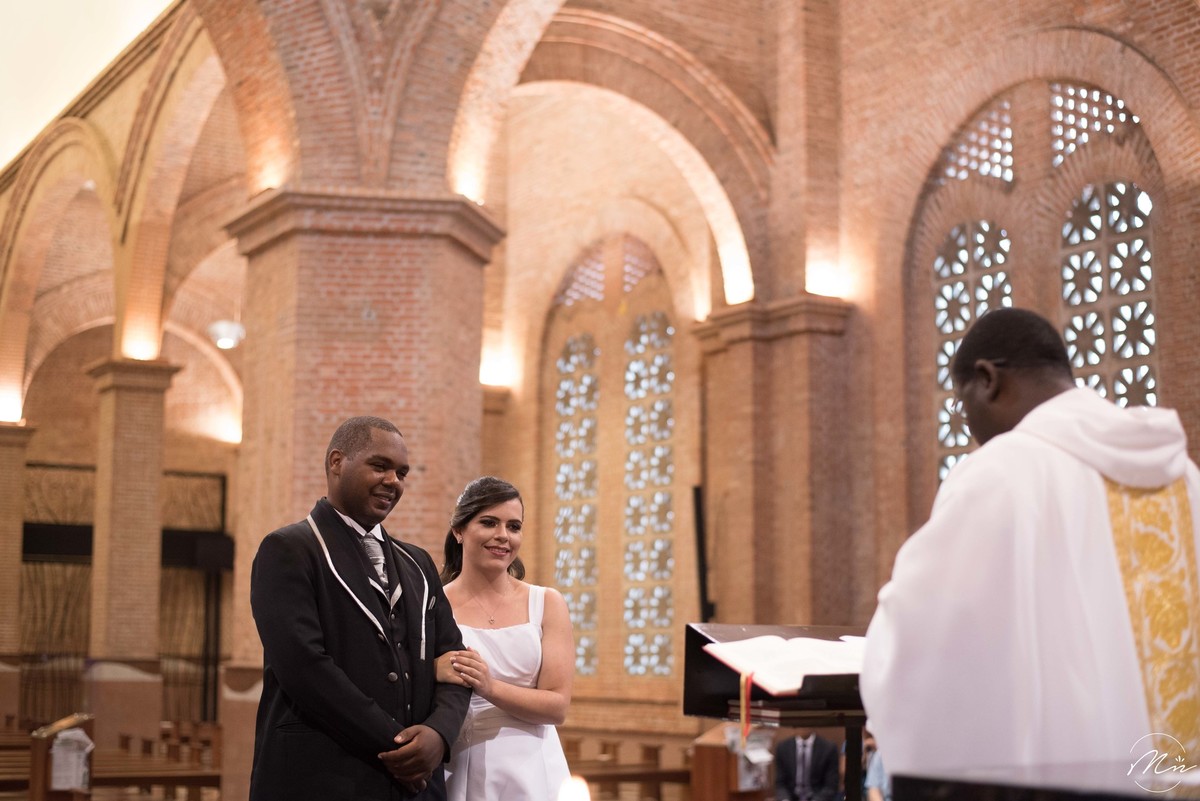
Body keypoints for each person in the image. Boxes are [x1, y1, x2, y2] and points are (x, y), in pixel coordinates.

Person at [861, 308, 1200, 776]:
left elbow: (922, 645)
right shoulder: (1182, 476)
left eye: (963, 409)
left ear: (987, 380)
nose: (969, 430)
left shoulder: (1002, 473)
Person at [249, 416, 470, 800]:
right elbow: (305, 669)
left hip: (415, 784)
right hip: (324, 776)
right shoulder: (290, 550)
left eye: (401, 472)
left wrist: (438, 735)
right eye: (380, 466)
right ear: (337, 462)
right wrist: (400, 746)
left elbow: (454, 660)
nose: (394, 481)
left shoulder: (417, 563)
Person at [435, 476, 574, 800]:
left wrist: (489, 686)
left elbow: (557, 707)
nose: (503, 536)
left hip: (535, 764)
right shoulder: (434, 604)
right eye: (488, 522)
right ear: (459, 530)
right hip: (464, 759)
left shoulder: (546, 602)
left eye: (513, 526)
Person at [774, 729, 840, 801]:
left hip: (818, 798)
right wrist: (785, 799)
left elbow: (831, 786)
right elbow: (780, 783)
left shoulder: (829, 748)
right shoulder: (783, 747)